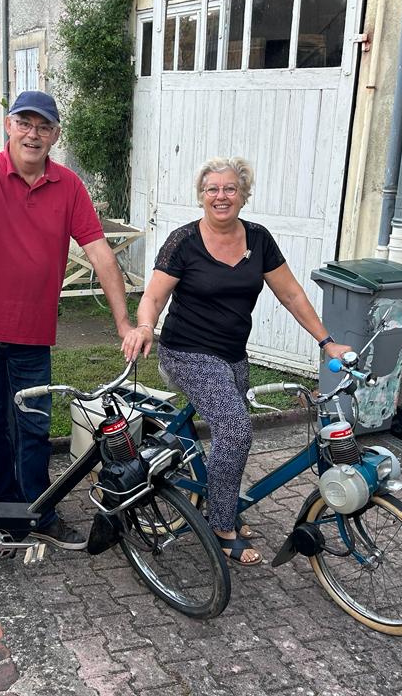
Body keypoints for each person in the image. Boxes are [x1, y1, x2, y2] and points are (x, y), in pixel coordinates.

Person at [0, 90, 133, 549]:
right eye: (25, 122)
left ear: (55, 135)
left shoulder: (68, 185)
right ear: (9, 125)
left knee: (33, 422)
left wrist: (124, 325)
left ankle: (38, 510)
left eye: (44, 125)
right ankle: (5, 509)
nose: (34, 133)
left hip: (31, 330)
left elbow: (101, 256)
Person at [121, 156, 351, 565]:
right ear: (201, 196)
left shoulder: (258, 239)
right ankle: (222, 525)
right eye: (212, 189)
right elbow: (154, 296)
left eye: (230, 189)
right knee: (236, 429)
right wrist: (143, 326)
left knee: (234, 437)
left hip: (232, 357)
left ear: (243, 195)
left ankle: (222, 499)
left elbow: (292, 294)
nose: (221, 196)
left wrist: (327, 342)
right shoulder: (183, 241)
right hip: (186, 352)